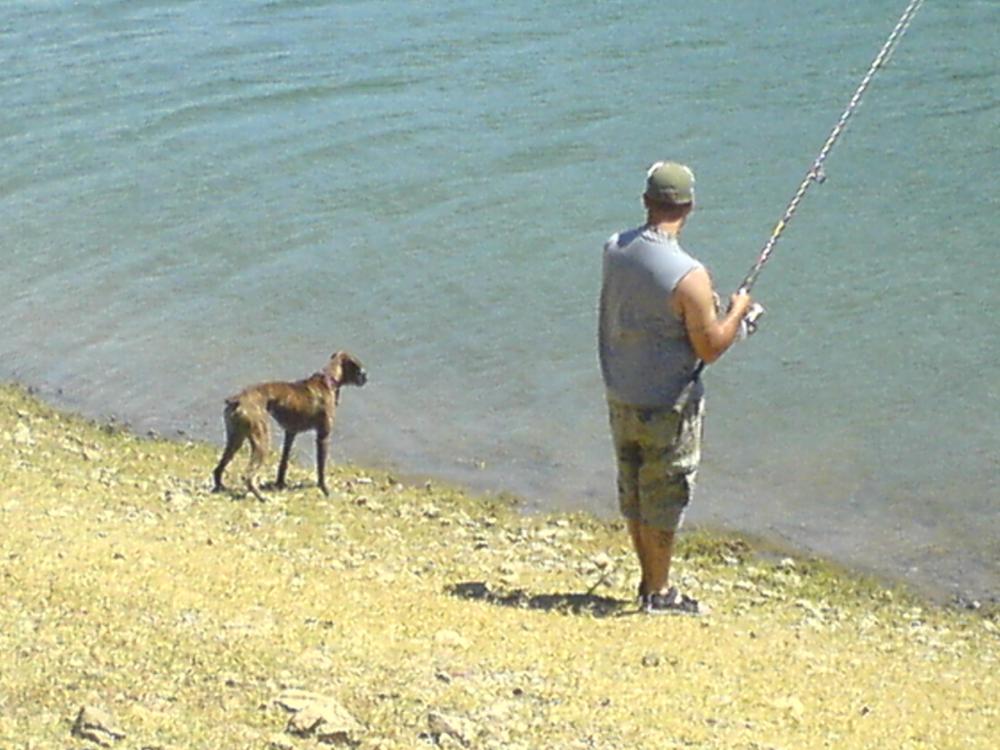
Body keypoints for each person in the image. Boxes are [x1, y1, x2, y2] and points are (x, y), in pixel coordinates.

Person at [598, 160, 758, 614]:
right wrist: (738, 312)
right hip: (668, 405)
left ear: (647, 201)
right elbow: (709, 346)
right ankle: (660, 592)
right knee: (665, 494)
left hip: (621, 393)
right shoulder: (690, 275)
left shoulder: (614, 248)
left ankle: (649, 583)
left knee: (633, 489)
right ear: (689, 206)